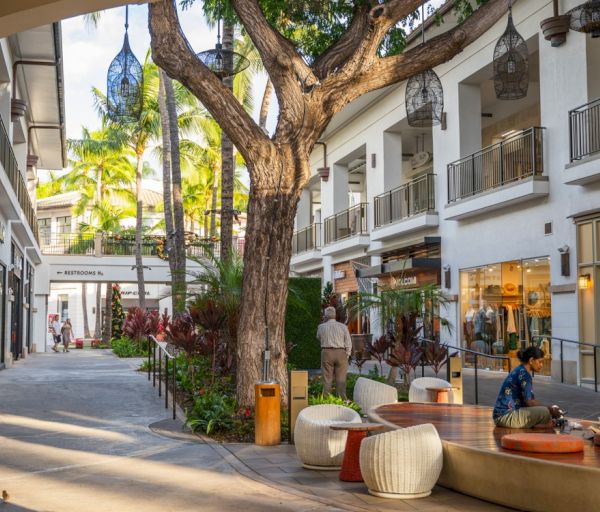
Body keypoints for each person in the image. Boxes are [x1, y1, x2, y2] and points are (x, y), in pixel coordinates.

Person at [493, 346, 561, 428]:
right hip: (505, 416)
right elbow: (530, 402)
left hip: (502, 416)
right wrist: (550, 409)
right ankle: (549, 424)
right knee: (545, 412)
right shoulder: (525, 375)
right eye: (540, 362)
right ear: (531, 360)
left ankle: (547, 424)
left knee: (544, 411)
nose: (541, 365)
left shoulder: (520, 370)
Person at [317, 306, 352, 399]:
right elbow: (348, 342)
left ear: (325, 316)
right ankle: (341, 400)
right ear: (335, 315)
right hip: (341, 352)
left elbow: (319, 338)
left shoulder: (321, 327)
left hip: (326, 352)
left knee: (327, 379)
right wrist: (347, 354)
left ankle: (326, 400)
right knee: (341, 379)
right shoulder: (343, 327)